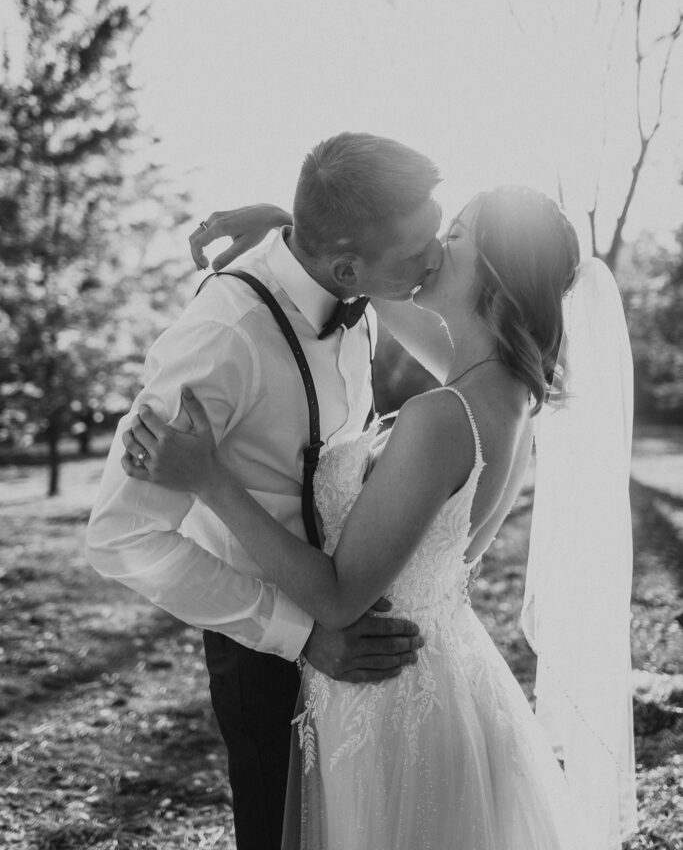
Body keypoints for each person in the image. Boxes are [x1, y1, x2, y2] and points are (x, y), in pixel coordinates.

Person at [122, 186, 637, 849]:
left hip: (389, 699)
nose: (431, 249)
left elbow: (339, 598)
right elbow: (376, 281)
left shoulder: (441, 417)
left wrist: (209, 480)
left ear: (495, 280)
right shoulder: (508, 388)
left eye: (454, 236)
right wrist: (297, 230)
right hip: (445, 677)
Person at [85, 132, 445, 850]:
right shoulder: (222, 339)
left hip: (366, 624)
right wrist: (303, 637)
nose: (435, 260)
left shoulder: (355, 285)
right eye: (417, 251)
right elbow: (120, 536)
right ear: (346, 265)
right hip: (267, 654)